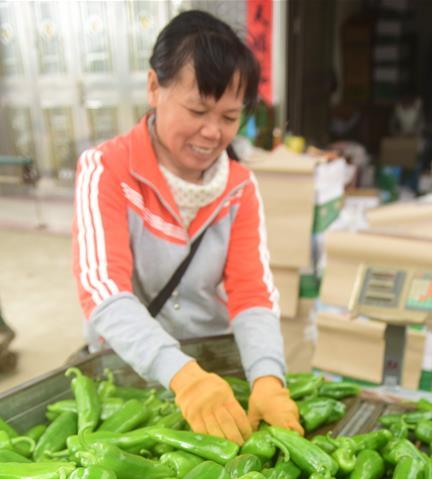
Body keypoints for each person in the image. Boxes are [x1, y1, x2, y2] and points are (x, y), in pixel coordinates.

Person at [72, 9, 302, 445]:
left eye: (229, 117)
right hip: (129, 373)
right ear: (154, 87)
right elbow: (103, 289)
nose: (212, 132)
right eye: (197, 110)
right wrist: (182, 376)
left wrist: (267, 376)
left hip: (213, 371)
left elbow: (251, 291)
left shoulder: (239, 187)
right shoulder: (107, 169)